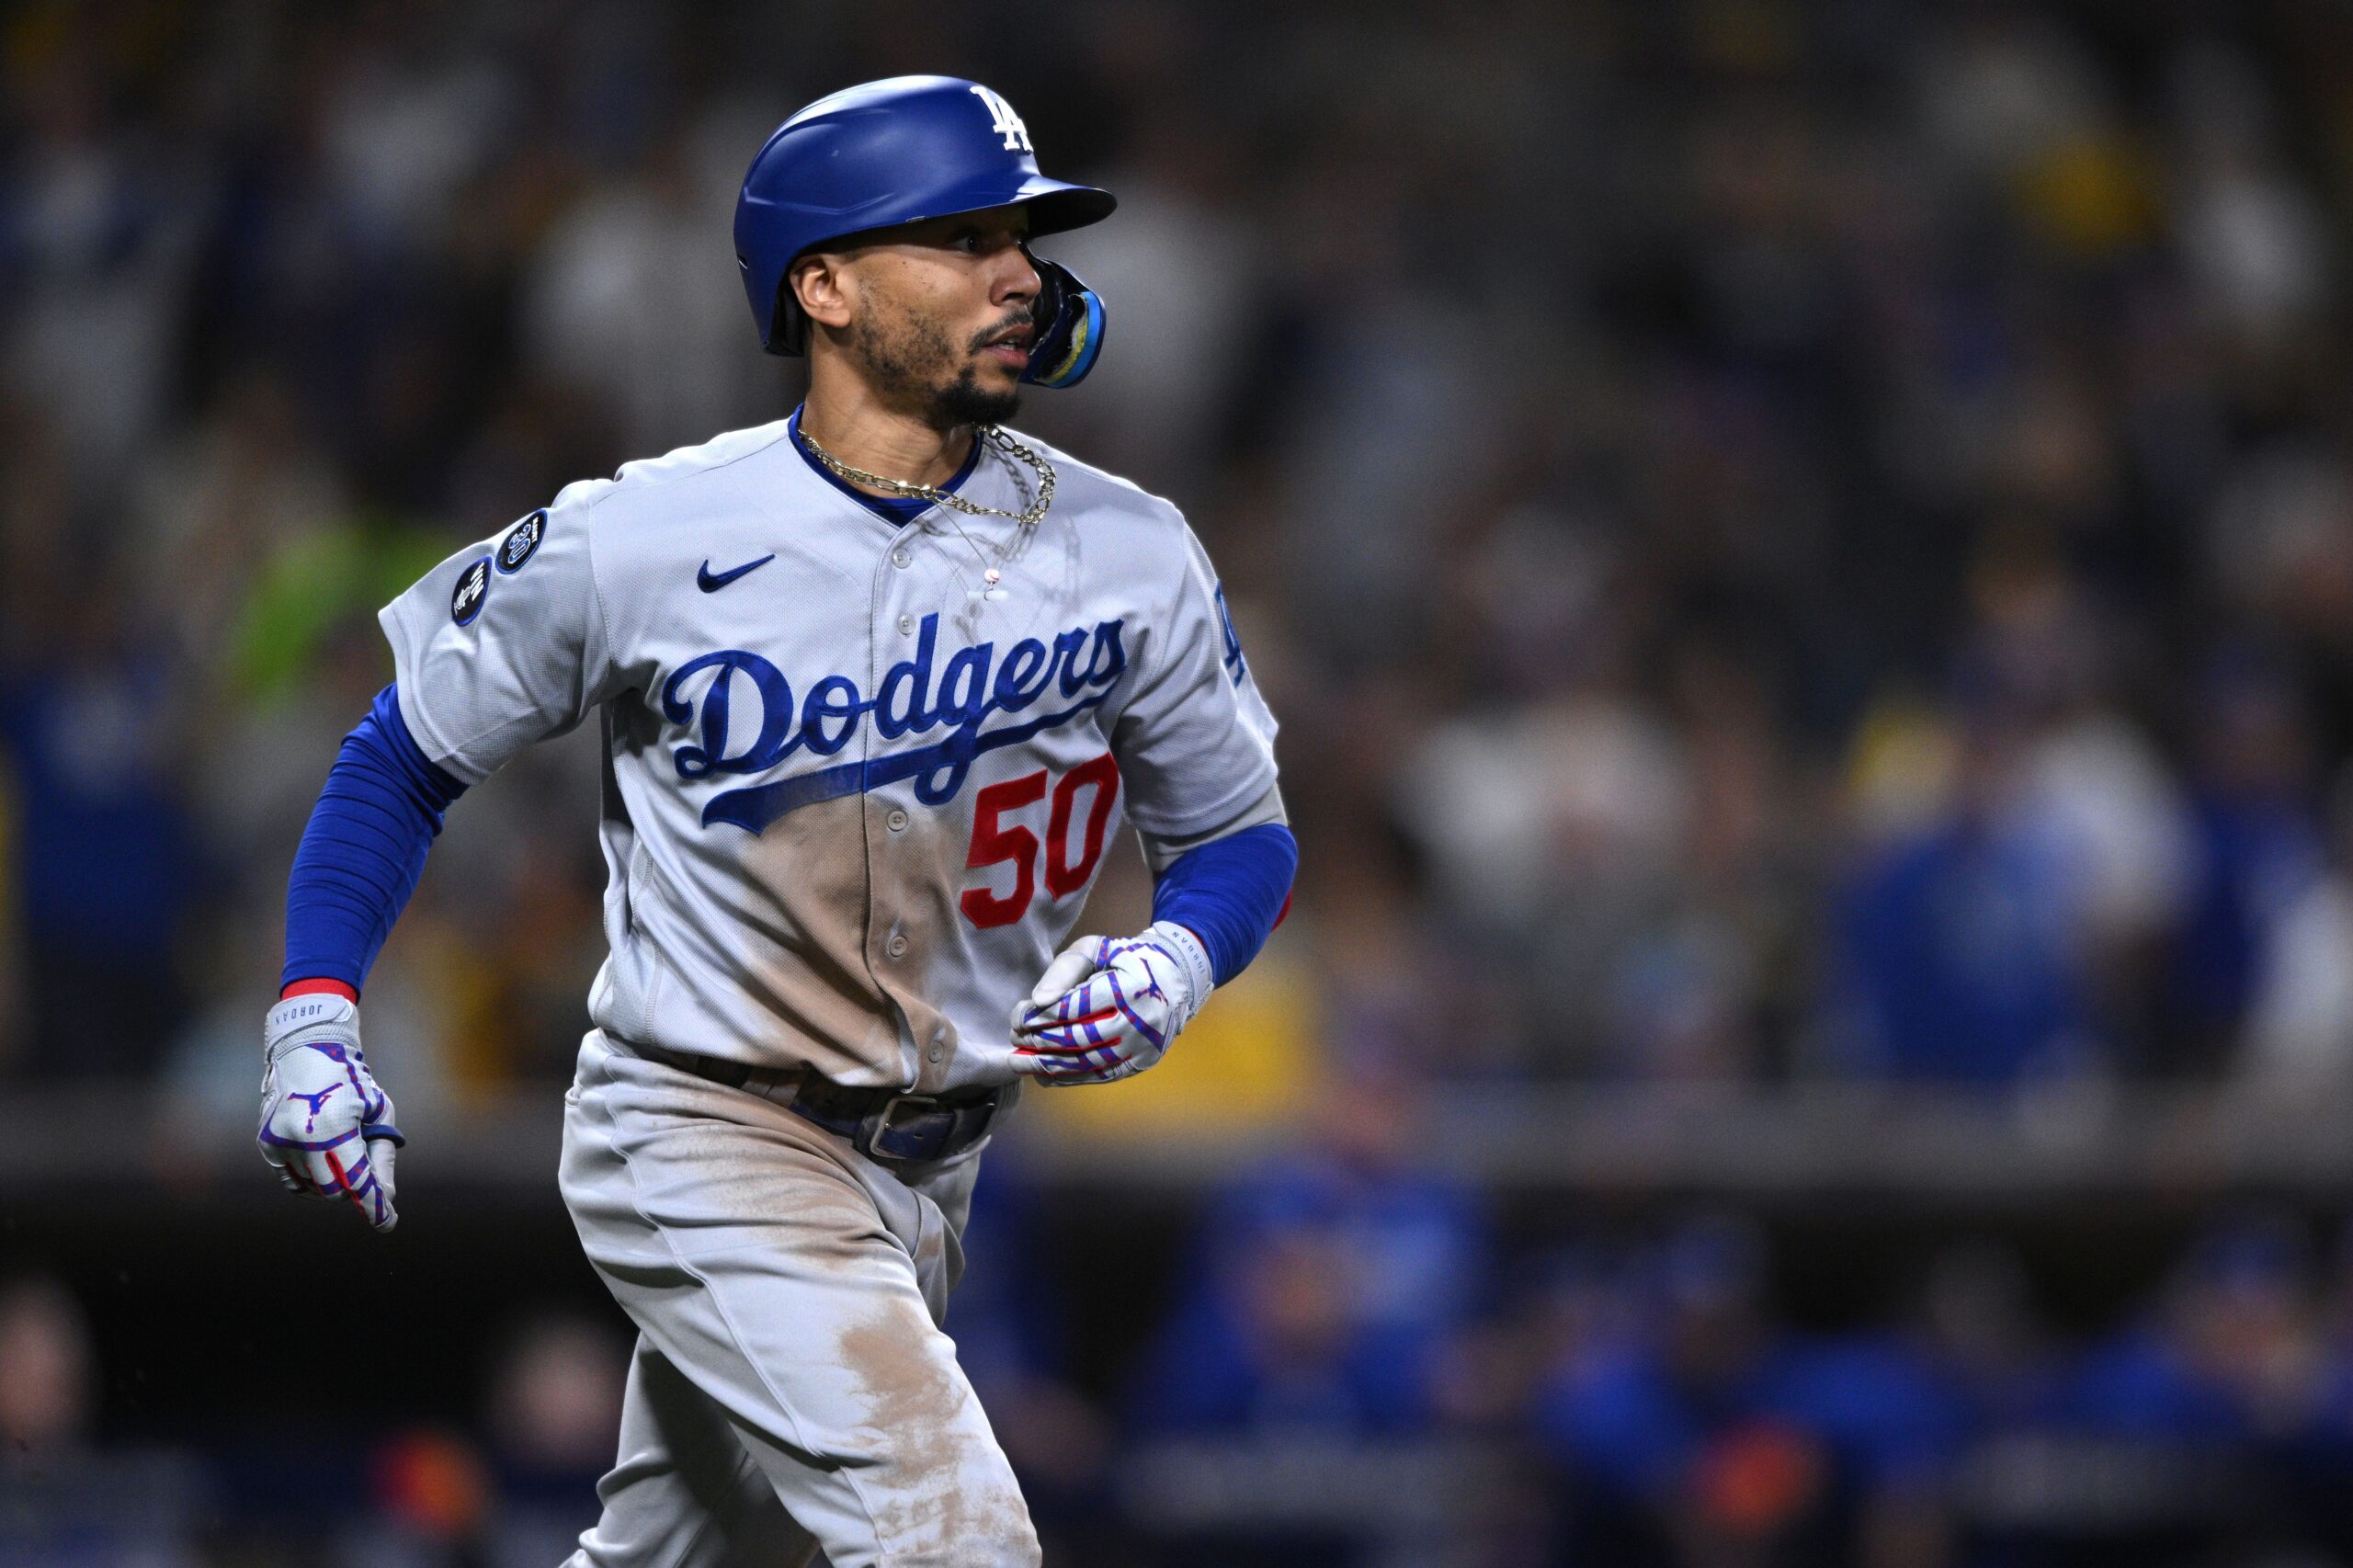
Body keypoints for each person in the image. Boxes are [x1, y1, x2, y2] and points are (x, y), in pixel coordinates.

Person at [256, 74, 1296, 1567]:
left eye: (1022, 236)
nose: (1019, 273)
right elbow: (399, 758)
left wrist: (1179, 959)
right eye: (958, 236)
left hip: (930, 1175)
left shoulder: (1129, 547)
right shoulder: (645, 534)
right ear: (824, 286)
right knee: (956, 1539)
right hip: (704, 1124)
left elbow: (1243, 836)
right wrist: (313, 1006)